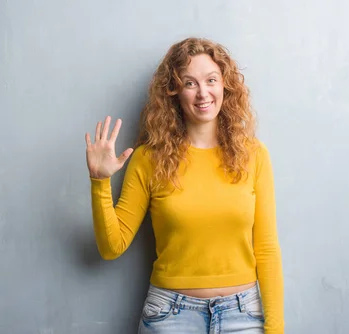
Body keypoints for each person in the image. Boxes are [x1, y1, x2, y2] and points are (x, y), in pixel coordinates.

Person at [84, 37, 284, 333]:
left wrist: (276, 328)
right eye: (190, 83)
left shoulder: (255, 155)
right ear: (174, 91)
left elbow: (266, 249)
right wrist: (100, 181)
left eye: (211, 80)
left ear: (225, 85)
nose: (203, 93)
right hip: (170, 316)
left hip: (244, 316)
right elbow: (112, 247)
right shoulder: (148, 159)